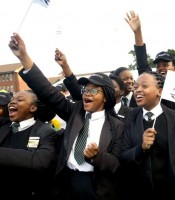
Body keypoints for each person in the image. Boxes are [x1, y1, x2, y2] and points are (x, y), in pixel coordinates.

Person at [9, 32, 124, 200]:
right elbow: (47, 92)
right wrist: (24, 57)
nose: (86, 94)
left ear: (105, 96)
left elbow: (116, 164)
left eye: (94, 90)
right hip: (66, 182)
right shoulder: (74, 112)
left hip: (95, 187)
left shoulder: (117, 125)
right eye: (85, 90)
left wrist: (97, 156)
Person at [119, 71, 175, 200]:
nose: (138, 91)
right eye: (136, 87)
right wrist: (140, 148)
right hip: (139, 191)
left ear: (159, 91)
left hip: (171, 192)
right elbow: (123, 154)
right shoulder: (130, 117)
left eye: (144, 86)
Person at [0, 89, 57, 199]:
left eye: (19, 100)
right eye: (11, 100)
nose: (12, 102)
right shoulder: (3, 126)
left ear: (33, 107)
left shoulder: (45, 131)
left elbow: (40, 160)